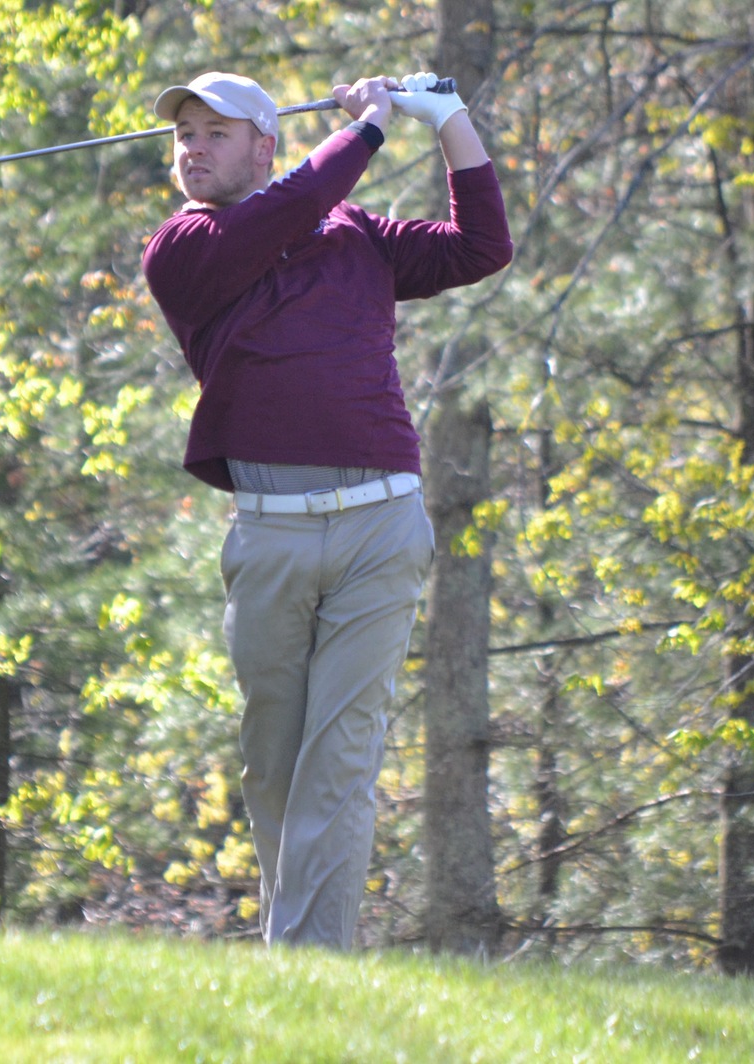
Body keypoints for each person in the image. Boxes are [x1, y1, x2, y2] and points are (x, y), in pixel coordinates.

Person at [140, 70, 511, 947]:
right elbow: (292, 206)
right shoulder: (184, 247)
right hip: (270, 526)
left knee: (339, 759)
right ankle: (295, 950)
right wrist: (372, 129)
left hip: (380, 524)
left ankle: (310, 968)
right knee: (274, 762)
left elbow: (481, 247)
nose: (192, 147)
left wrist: (450, 119)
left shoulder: (356, 235)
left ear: (265, 142)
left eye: (215, 132)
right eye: (184, 134)